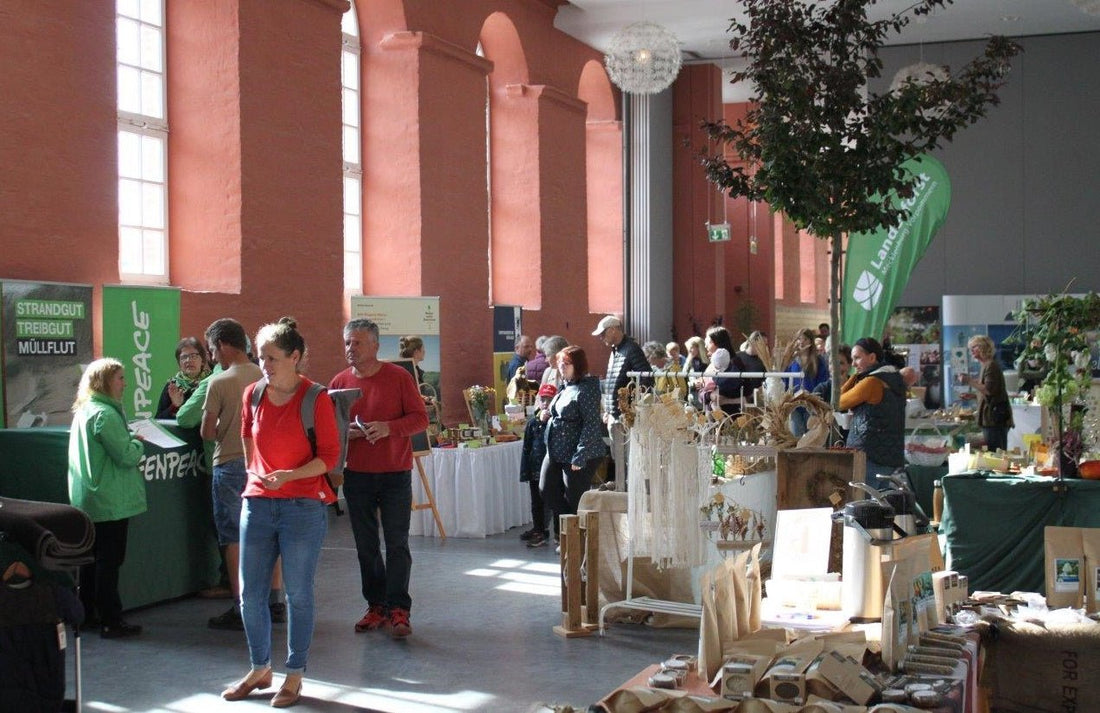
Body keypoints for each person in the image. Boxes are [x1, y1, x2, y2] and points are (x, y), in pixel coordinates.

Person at [221, 317, 340, 707]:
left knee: (298, 594)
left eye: (272, 357)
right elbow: (244, 435)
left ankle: (295, 674)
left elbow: (329, 458)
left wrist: (289, 475)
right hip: (257, 503)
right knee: (250, 594)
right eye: (261, 357)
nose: (265, 365)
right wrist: (258, 473)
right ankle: (259, 669)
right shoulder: (252, 395)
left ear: (295, 357)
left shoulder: (316, 398)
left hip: (303, 507)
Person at [330, 318, 429, 639]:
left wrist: (389, 428)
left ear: (375, 345)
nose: (351, 349)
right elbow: (331, 429)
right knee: (365, 546)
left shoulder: (398, 377)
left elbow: (420, 418)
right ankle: (376, 605)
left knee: (397, 543)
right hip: (357, 475)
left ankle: (399, 607)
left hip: (395, 475)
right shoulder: (339, 382)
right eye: (347, 343)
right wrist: (350, 433)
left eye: (357, 343)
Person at [202, 318, 284, 631]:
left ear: (223, 345)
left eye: (212, 350)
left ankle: (240, 607)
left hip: (231, 462)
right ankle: (275, 602)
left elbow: (208, 431)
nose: (212, 357)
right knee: (270, 532)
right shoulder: (268, 375)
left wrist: (225, 427)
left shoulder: (219, 381)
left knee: (233, 536)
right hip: (267, 462)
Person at [67, 358, 147, 639]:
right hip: (111, 500)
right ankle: (111, 620)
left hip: (88, 499)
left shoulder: (84, 411)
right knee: (109, 561)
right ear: (105, 382)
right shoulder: (107, 415)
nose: (125, 383)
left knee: (90, 560)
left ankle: (87, 614)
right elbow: (125, 456)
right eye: (120, 378)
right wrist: (137, 442)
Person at [542, 346, 608, 551]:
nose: (562, 368)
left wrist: (580, 456)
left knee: (576, 499)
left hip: (578, 453)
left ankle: (577, 542)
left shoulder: (587, 388)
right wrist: (547, 415)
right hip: (556, 451)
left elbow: (590, 425)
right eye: (560, 364)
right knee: (547, 490)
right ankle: (570, 533)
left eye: (566, 364)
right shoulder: (565, 386)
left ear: (577, 365)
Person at [839, 337, 906, 489]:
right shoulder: (894, 378)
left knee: (865, 506)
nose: (854, 364)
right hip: (889, 455)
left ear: (872, 357)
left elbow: (838, 402)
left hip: (869, 454)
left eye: (857, 358)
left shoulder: (871, 382)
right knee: (881, 505)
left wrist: (854, 377)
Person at [519, 383, 556, 548]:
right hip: (535, 468)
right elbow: (526, 448)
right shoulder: (532, 423)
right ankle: (538, 529)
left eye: (549, 399)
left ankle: (548, 531)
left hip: (552, 468)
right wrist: (524, 472)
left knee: (551, 501)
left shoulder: (558, 421)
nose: (546, 403)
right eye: (543, 399)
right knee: (536, 502)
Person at [964, 335, 1013, 452]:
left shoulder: (991, 365)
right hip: (991, 419)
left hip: (994, 419)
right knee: (994, 451)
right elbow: (989, 391)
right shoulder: (986, 365)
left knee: (996, 452)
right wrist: (973, 395)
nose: (971, 351)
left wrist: (969, 381)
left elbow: (989, 390)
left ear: (983, 348)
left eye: (974, 347)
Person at [156, 337, 212, 419]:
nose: (188, 360)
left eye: (193, 356)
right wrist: (175, 406)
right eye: (183, 357)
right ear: (179, 363)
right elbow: (159, 420)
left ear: (202, 360)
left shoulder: (211, 382)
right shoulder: (173, 385)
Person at [787, 328, 830, 436]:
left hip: (811, 404)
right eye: (798, 339)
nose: (801, 342)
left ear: (811, 341)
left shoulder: (818, 361)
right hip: (795, 404)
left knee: (811, 436)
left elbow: (823, 381)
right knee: (796, 435)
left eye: (805, 339)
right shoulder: (791, 360)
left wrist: (815, 399)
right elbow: (785, 380)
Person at [706, 326, 749, 416]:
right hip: (713, 413)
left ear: (718, 342)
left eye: (710, 342)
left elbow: (746, 388)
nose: (706, 346)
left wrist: (725, 399)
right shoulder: (711, 364)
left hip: (733, 413)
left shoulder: (735, 363)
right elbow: (702, 390)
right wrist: (709, 395)